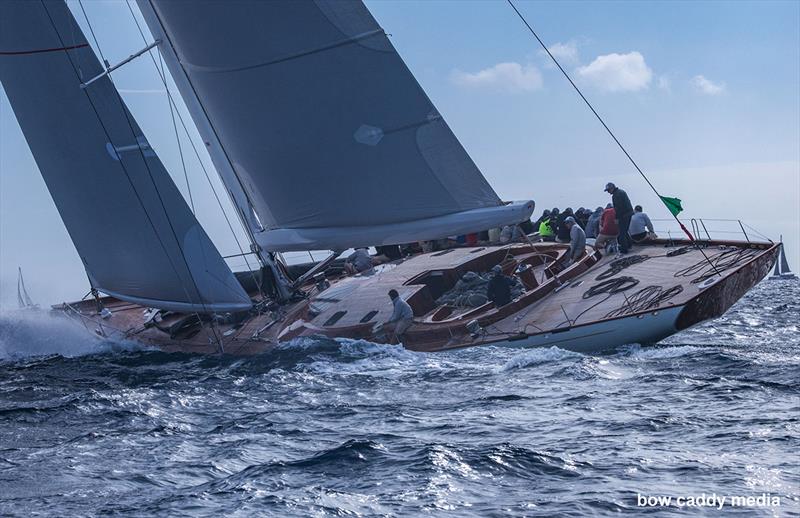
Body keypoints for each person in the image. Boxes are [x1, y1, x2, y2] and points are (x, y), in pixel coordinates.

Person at [604, 182, 633, 254]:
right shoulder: (621, 192)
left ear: (612, 188)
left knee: (622, 233)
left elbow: (618, 208)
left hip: (624, 215)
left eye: (608, 190)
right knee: (624, 230)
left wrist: (617, 218)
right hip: (629, 213)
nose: (608, 192)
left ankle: (624, 249)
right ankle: (629, 244)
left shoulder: (616, 195)